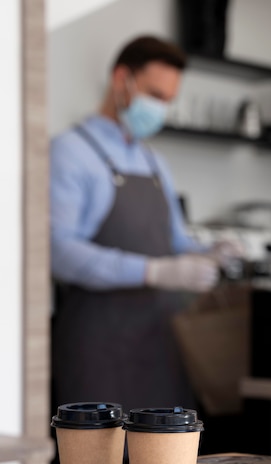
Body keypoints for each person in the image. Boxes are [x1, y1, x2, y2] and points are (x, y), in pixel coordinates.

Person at [50, 35, 241, 431]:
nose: (160, 108)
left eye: (168, 99)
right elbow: (59, 252)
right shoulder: (70, 152)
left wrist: (210, 252)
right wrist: (154, 272)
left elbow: (172, 242)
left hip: (161, 344)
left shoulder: (154, 162)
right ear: (123, 79)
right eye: (154, 94)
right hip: (99, 347)